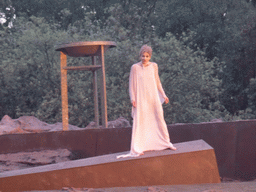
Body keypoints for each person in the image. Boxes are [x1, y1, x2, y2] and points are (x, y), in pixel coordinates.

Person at [117, 45, 176, 158]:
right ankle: (139, 147)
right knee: (140, 121)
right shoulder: (135, 67)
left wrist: (163, 95)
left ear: (150, 56)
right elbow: (131, 85)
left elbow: (158, 82)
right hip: (141, 98)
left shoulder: (154, 66)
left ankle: (165, 142)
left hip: (153, 97)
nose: (144, 58)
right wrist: (132, 98)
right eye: (143, 56)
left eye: (147, 56)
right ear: (140, 56)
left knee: (159, 117)